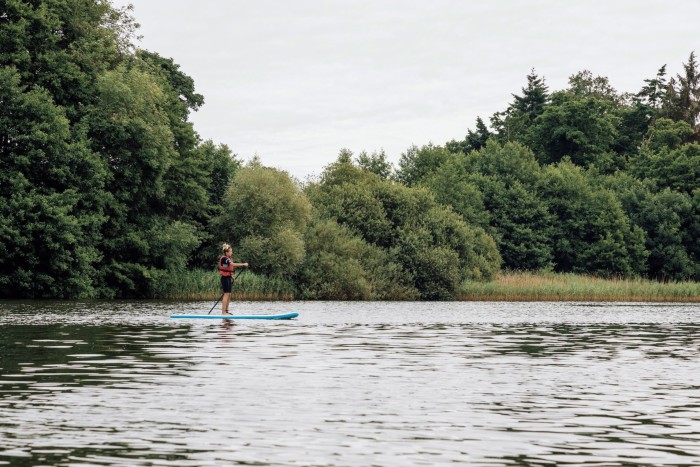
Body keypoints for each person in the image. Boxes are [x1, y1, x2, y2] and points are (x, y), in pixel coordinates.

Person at [219, 243, 249, 315]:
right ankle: (223, 312)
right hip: (224, 278)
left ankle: (226, 311)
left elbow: (227, 268)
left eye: (231, 251)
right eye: (230, 251)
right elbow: (232, 264)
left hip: (228, 277)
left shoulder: (228, 259)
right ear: (226, 252)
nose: (231, 252)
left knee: (229, 295)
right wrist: (243, 264)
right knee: (226, 294)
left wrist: (232, 277)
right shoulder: (224, 259)